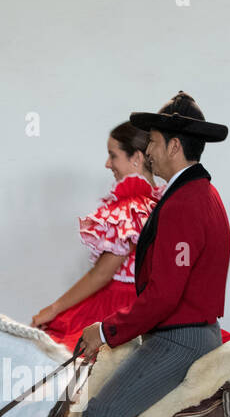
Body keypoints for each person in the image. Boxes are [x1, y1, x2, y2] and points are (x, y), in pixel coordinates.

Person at [65, 91, 230, 417]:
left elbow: (162, 297)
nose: (150, 151)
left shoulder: (185, 203)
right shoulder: (195, 193)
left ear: (175, 146)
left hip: (179, 340)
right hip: (180, 331)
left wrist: (106, 330)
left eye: (155, 142)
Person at [33, 123, 160, 347]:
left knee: (60, 348)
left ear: (137, 158)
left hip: (119, 305)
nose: (108, 164)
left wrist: (53, 309)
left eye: (113, 155)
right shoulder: (157, 203)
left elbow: (101, 274)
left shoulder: (133, 207)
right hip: (142, 305)